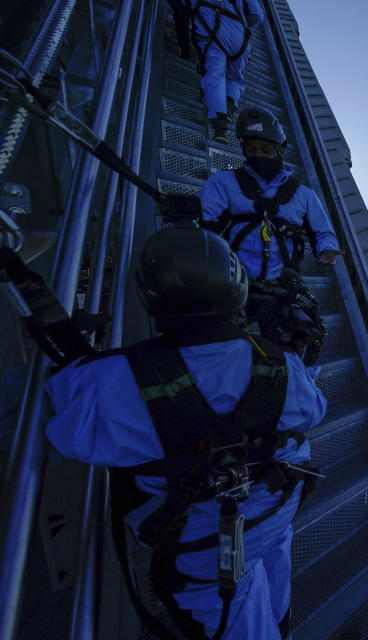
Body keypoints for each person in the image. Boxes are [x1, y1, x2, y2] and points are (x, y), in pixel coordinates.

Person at [45, 226, 327, 639]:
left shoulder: (109, 384)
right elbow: (312, 413)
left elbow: (67, 425)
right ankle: (281, 624)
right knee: (271, 563)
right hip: (277, 503)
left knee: (237, 606)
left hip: (207, 542)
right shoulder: (282, 365)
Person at [199, 106, 342, 363]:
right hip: (233, 280)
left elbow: (323, 231)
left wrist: (327, 249)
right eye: (251, 150)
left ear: (280, 150)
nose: (259, 156)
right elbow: (207, 225)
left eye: (266, 150)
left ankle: (288, 386)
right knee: (218, 348)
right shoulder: (223, 183)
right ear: (243, 149)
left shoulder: (303, 195)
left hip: (279, 284)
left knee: (298, 342)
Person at [188, 0, 264, 143]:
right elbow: (258, 15)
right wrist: (239, 23)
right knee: (235, 78)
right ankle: (229, 106)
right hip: (240, 39)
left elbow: (189, 8)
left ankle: (220, 128)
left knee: (215, 75)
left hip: (213, 32)